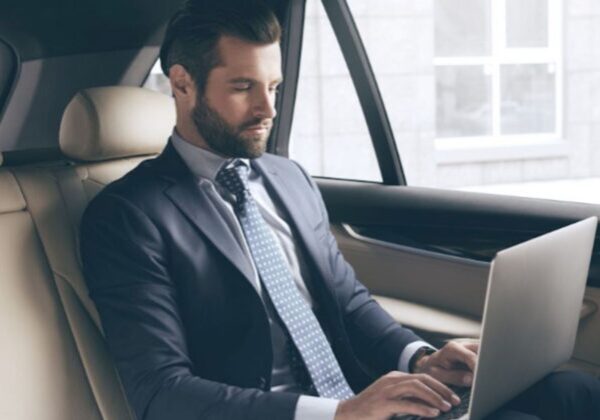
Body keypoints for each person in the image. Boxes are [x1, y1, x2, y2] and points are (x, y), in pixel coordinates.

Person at [80, 1, 600, 419]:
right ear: (182, 83)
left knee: (574, 391)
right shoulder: (127, 216)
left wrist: (419, 359)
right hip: (298, 411)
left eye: (275, 87)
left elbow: (349, 304)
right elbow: (161, 394)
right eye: (243, 88)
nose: (267, 110)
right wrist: (337, 414)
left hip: (362, 400)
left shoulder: (288, 178)